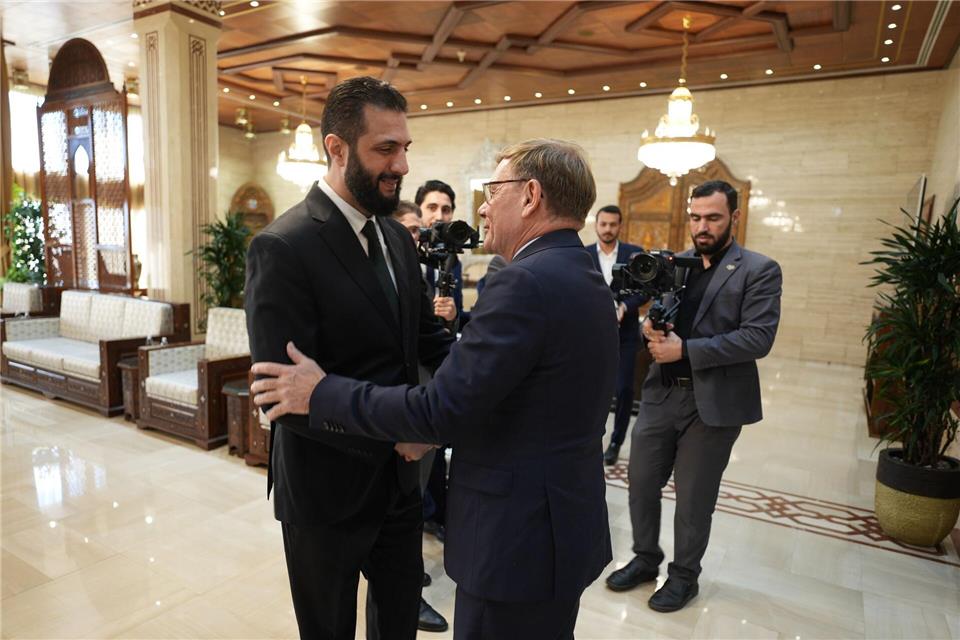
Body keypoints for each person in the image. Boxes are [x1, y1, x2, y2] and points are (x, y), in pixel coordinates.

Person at [251, 138, 619, 639]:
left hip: (516, 537)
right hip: (556, 525)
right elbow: (508, 387)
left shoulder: (523, 281)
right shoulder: (581, 272)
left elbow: (443, 404)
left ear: (530, 195)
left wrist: (321, 392)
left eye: (493, 190)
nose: (483, 206)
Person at [244, 76, 454, 640]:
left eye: (405, 147)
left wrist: (494, 358)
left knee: (398, 625)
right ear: (336, 149)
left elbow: (428, 343)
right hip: (324, 494)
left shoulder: (395, 238)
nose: (402, 164)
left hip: (402, 484)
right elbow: (281, 400)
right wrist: (397, 432)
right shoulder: (283, 246)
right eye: (385, 148)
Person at [604, 180, 782, 613]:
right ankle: (646, 559)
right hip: (661, 395)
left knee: (693, 498)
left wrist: (687, 349)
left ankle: (685, 576)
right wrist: (651, 329)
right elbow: (660, 312)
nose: (702, 227)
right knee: (641, 483)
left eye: (713, 218)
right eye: (696, 217)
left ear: (734, 218)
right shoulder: (674, 264)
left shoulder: (759, 269)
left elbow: (758, 338)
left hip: (713, 404)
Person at [585, 204, 647, 465]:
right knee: (589, 390)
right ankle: (588, 439)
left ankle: (615, 442)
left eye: (613, 224)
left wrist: (625, 306)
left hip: (626, 336)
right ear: (596, 225)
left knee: (623, 391)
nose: (608, 229)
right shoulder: (583, 254)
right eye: (603, 224)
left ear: (620, 226)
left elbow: (646, 289)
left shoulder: (635, 254)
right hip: (592, 338)